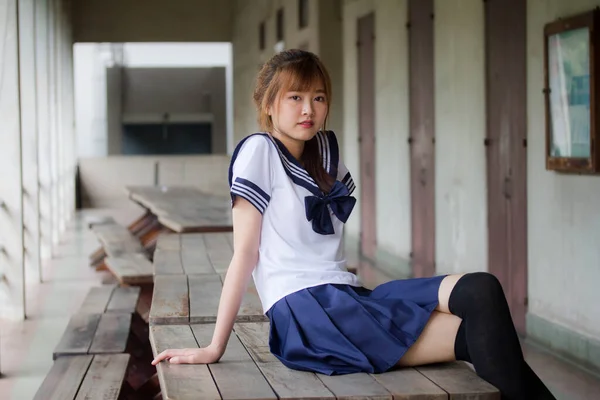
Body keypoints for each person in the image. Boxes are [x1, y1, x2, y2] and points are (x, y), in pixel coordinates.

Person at [151, 49, 555, 400]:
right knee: (480, 339)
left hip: (347, 295)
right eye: (295, 97)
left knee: (481, 288)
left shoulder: (325, 152)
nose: (308, 109)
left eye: (318, 97)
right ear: (269, 104)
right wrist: (214, 346)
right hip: (308, 314)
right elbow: (245, 255)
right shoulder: (259, 151)